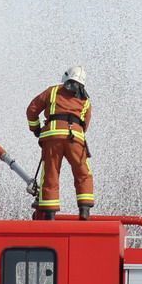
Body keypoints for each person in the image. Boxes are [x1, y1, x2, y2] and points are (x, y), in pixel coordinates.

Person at [26, 66, 95, 220]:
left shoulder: (52, 91)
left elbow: (31, 110)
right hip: (75, 139)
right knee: (83, 172)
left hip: (52, 138)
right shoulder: (86, 101)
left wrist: (36, 128)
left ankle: (49, 214)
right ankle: (84, 210)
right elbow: (85, 125)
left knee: (51, 173)